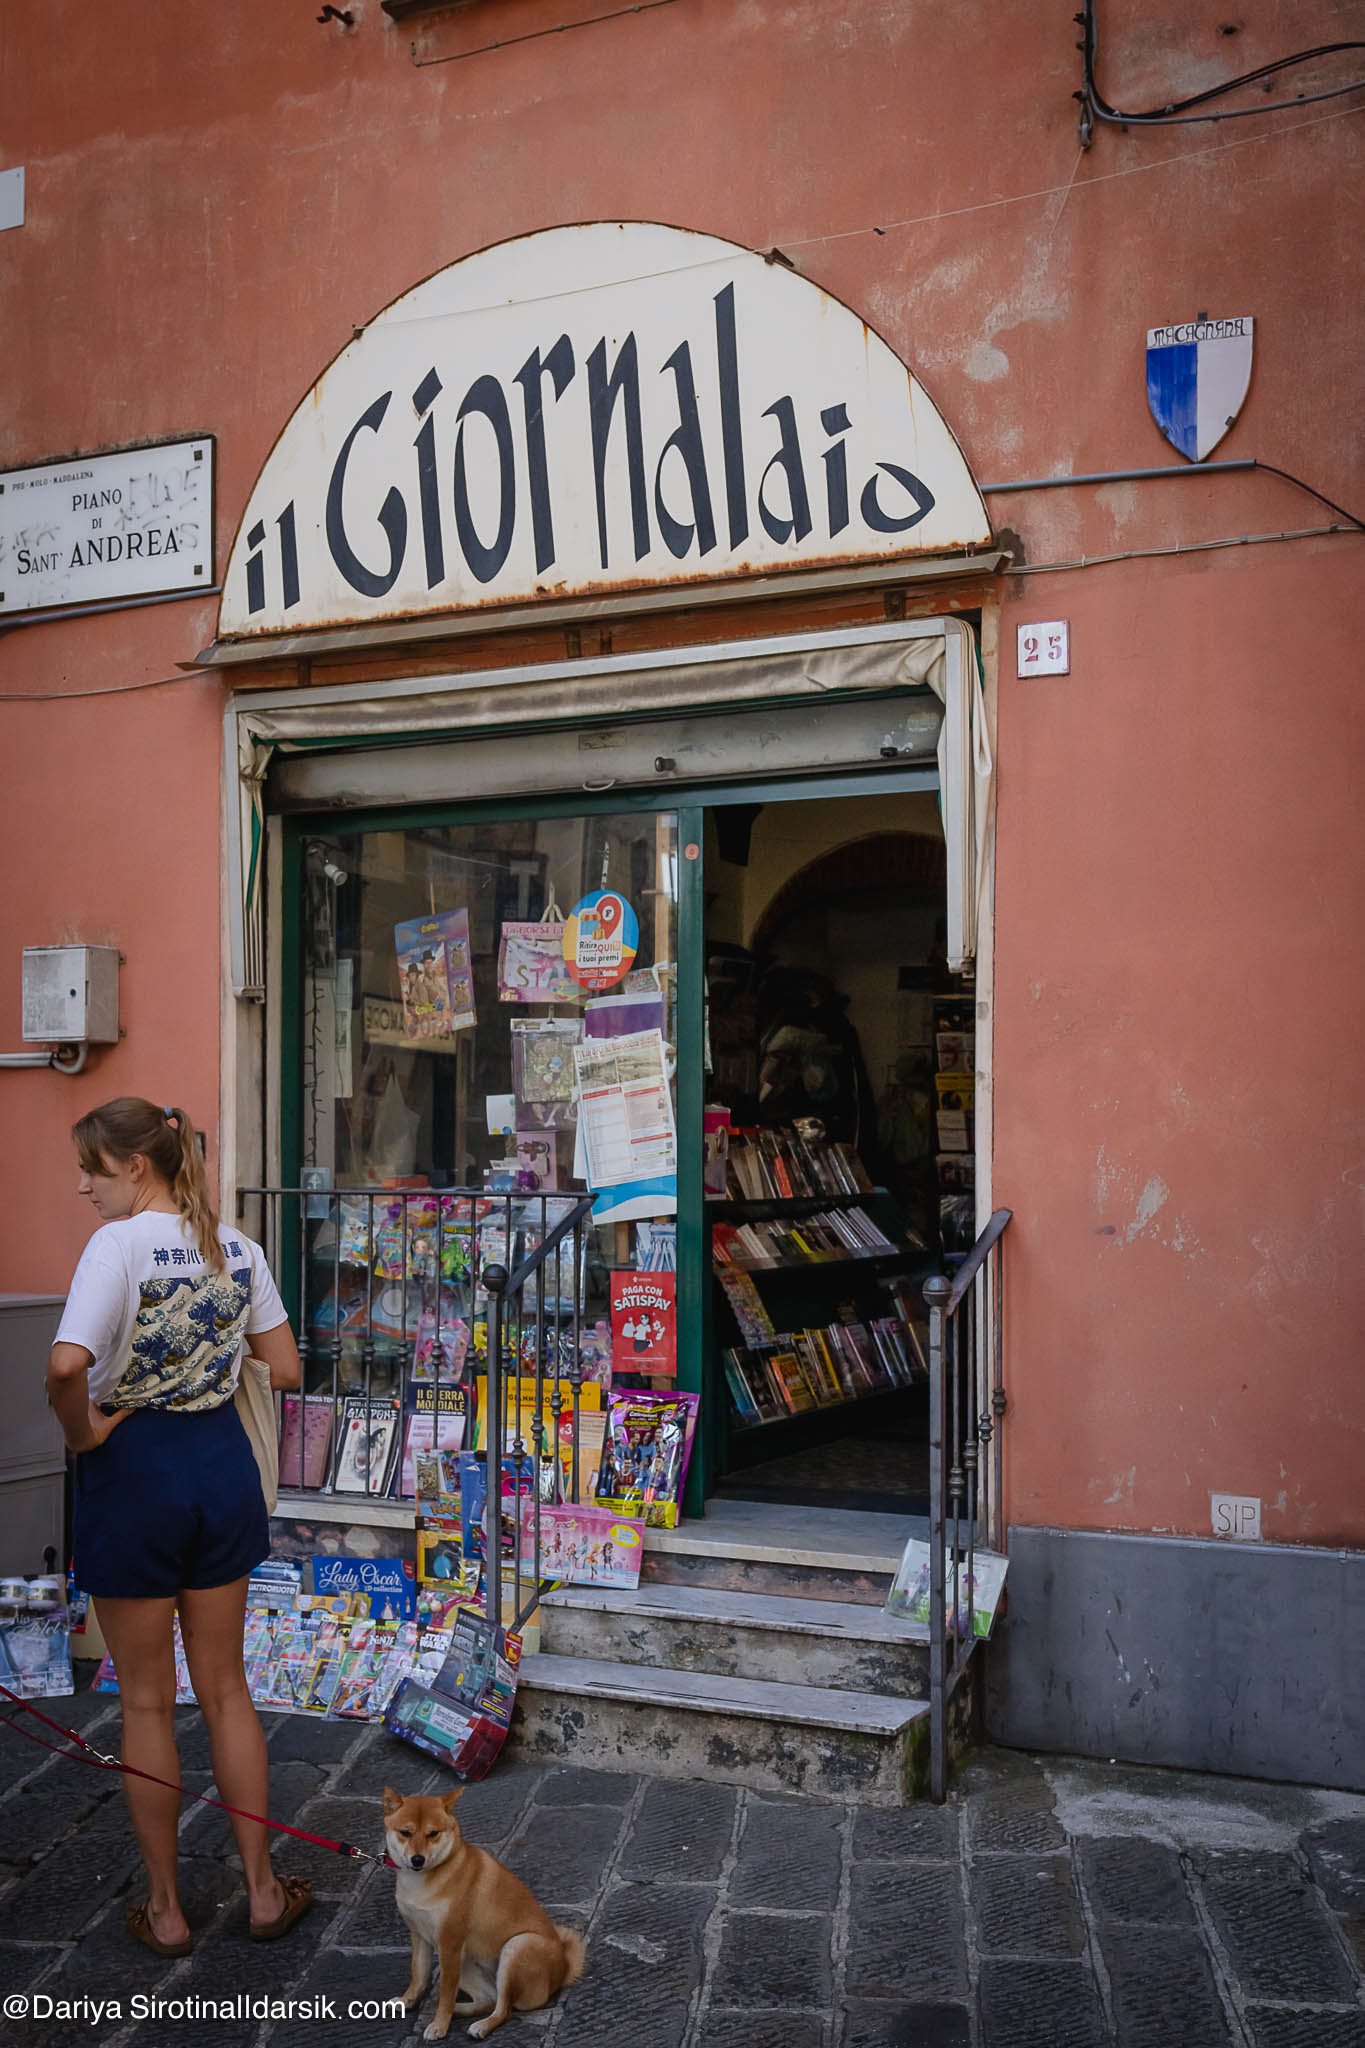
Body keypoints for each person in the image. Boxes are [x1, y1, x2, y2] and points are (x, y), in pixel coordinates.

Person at [45, 1097, 312, 1957]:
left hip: (135, 1473)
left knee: (147, 1701)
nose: (83, 1186)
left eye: (90, 1168)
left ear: (134, 1166)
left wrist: (83, 1433)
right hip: (219, 1467)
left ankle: (165, 1910)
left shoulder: (116, 1246)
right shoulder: (236, 1246)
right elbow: (286, 1368)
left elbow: (65, 1366)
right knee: (227, 1689)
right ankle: (263, 1892)